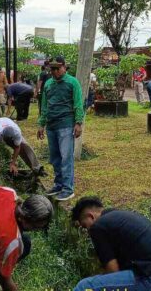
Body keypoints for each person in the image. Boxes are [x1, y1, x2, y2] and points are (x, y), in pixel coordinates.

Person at [71, 197, 151, 291]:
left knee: (85, 286)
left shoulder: (98, 227)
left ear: (90, 216)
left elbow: (113, 271)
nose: (87, 231)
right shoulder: (120, 216)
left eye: (85, 225)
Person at [37, 56, 84, 202]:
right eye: (52, 69)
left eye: (57, 68)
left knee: (66, 157)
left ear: (64, 67)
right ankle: (58, 184)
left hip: (65, 124)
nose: (54, 71)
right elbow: (45, 106)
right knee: (55, 157)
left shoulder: (72, 82)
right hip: (51, 124)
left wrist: (78, 123)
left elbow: (78, 103)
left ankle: (68, 188)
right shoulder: (49, 84)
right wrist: (41, 124)